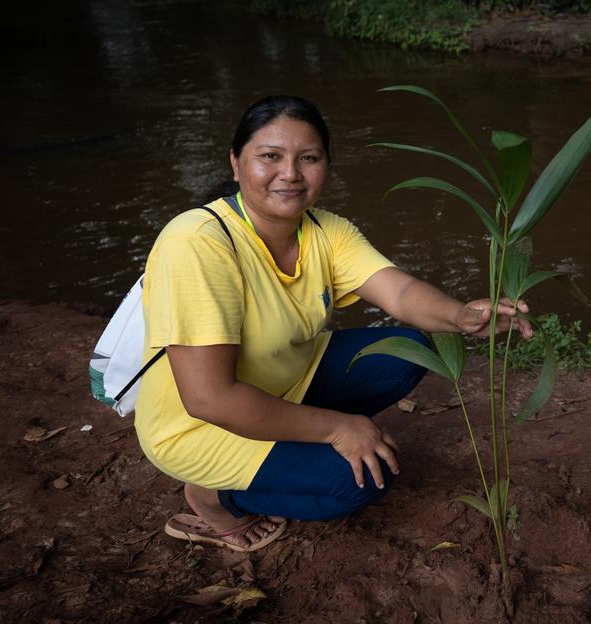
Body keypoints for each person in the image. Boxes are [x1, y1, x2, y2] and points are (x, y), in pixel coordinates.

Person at [136, 95, 531, 552]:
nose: (290, 173)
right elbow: (210, 398)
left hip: (284, 382)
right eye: (270, 156)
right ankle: (215, 497)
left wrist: (461, 316)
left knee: (403, 350)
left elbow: (398, 292)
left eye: (309, 158)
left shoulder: (325, 230)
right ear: (236, 162)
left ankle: (294, 440)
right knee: (357, 485)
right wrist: (337, 428)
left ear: (326, 165)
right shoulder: (198, 242)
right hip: (200, 425)